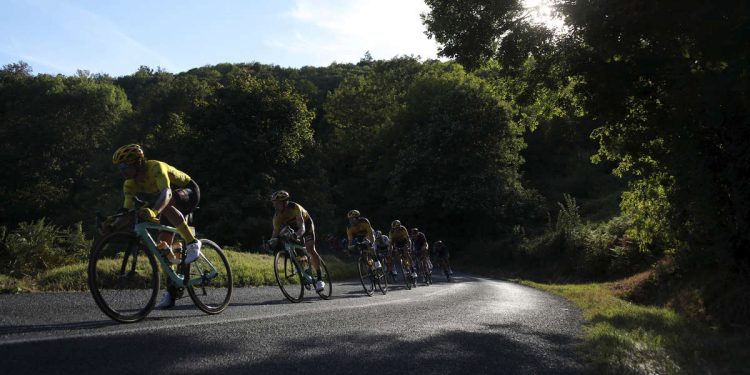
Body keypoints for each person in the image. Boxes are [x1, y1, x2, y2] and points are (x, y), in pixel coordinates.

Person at [109, 144, 202, 309]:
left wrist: (154, 211)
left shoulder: (155, 167)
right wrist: (111, 226)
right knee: (163, 246)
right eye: (119, 167)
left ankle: (193, 242)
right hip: (167, 202)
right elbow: (126, 209)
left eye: (124, 166)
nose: (121, 171)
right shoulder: (129, 184)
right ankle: (173, 291)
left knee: (166, 204)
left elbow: (166, 192)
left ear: (137, 162)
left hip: (188, 191)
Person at [270, 190, 325, 292]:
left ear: (284, 202)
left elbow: (302, 228)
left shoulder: (294, 207)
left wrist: (297, 235)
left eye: (277, 203)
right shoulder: (277, 216)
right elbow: (275, 232)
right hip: (293, 228)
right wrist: (271, 242)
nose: (275, 206)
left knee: (310, 248)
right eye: (274, 203)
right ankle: (301, 263)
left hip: (306, 224)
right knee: (286, 239)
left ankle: (320, 279)